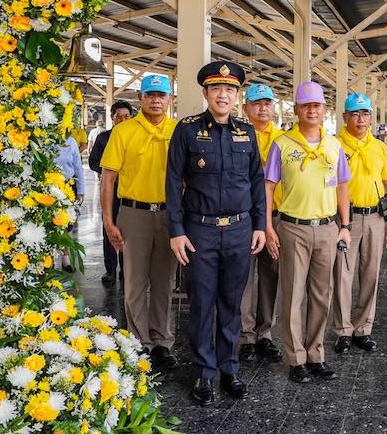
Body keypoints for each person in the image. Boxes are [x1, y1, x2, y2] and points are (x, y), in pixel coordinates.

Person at [167, 61, 267, 406]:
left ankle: (229, 368)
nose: (223, 95)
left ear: (237, 95)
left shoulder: (246, 130)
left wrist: (259, 224)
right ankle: (203, 373)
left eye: (230, 90)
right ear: (206, 93)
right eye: (216, 89)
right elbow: (172, 182)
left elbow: (257, 181)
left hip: (240, 229)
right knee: (201, 305)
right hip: (200, 231)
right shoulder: (187, 129)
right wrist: (176, 231)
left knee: (231, 304)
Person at [264, 81, 351, 383]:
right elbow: (269, 187)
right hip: (293, 228)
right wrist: (267, 226)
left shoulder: (334, 145)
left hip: (327, 228)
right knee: (292, 296)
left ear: (324, 110)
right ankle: (295, 358)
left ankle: (316, 354)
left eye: (317, 105)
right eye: (306, 105)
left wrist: (346, 226)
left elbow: (342, 186)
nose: (312, 110)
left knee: (321, 295)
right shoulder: (282, 144)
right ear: (297, 109)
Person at [100, 74, 178, 372]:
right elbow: (108, 179)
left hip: (170, 214)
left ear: (169, 99)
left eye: (161, 95)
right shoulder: (124, 132)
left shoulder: (178, 131)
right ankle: (139, 342)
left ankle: (162, 342)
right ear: (140, 98)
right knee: (133, 282)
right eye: (150, 95)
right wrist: (108, 220)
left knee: (163, 281)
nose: (156, 100)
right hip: (133, 214)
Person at [332, 93, 387, 354]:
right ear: (345, 117)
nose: (361, 119)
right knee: (343, 274)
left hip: (375, 218)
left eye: (365, 114)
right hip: (344, 220)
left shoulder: (379, 147)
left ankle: (363, 329)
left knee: (370, 273)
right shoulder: (335, 145)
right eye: (355, 114)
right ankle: (343, 331)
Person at [238, 83, 285, 363]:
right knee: (243, 278)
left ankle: (264, 333)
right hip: (244, 217)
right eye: (256, 103)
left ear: (274, 107)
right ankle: (245, 336)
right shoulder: (236, 135)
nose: (262, 108)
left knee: (271, 275)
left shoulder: (285, 140)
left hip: (276, 216)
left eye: (267, 103)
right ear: (245, 108)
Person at [89, 101, 133, 286]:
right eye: (119, 117)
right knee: (109, 230)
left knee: (127, 233)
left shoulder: (134, 136)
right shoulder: (103, 138)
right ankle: (110, 271)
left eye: (127, 117)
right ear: (112, 118)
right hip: (110, 191)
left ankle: (126, 270)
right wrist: (111, 168)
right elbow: (93, 162)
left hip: (130, 193)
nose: (123, 120)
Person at [55, 135, 85, 273]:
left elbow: (78, 167)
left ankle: (65, 257)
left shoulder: (70, 141)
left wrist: (81, 190)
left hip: (68, 186)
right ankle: (46, 258)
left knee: (66, 224)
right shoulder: (41, 136)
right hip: (47, 185)